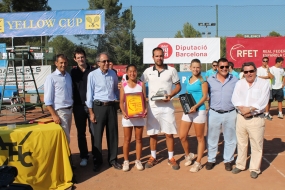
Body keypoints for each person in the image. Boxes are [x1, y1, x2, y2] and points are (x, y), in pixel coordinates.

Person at [140, 47, 181, 170]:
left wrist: (171, 95)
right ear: (153, 57)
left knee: (169, 133)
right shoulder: (147, 71)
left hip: (167, 107)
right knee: (153, 133)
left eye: (161, 56)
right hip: (153, 107)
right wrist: (144, 97)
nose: (159, 58)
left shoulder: (172, 70)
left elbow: (178, 86)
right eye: (157, 56)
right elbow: (140, 83)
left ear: (164, 56)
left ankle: (171, 158)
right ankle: (153, 157)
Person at [231, 62, 270, 179]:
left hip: (256, 119)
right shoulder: (239, 83)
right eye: (246, 71)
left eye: (251, 71)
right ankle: (240, 165)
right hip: (241, 118)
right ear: (243, 72)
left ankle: (254, 169)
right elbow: (234, 98)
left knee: (256, 145)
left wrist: (250, 109)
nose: (249, 74)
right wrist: (242, 109)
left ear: (255, 71)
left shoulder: (264, 83)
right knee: (241, 143)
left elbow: (263, 100)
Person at [86, 52, 121, 171]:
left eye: (107, 61)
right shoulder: (92, 75)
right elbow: (89, 94)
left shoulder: (113, 74)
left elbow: (116, 90)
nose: (107, 63)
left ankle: (113, 160)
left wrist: (121, 99)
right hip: (98, 107)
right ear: (98, 63)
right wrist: (91, 112)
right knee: (97, 136)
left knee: (113, 135)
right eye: (104, 61)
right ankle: (97, 161)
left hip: (111, 107)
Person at [206, 58, 238, 171]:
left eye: (226, 66)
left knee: (230, 138)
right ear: (217, 68)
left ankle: (228, 160)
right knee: (212, 138)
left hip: (231, 112)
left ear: (229, 67)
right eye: (222, 67)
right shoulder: (210, 80)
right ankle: (211, 159)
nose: (224, 69)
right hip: (214, 113)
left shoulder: (235, 79)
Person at [179, 59, 208, 173]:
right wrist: (186, 105)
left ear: (200, 68)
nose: (196, 69)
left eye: (198, 67)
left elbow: (205, 96)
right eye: (194, 67)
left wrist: (195, 106)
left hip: (199, 110)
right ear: (190, 68)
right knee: (182, 136)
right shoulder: (189, 79)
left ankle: (198, 162)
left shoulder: (203, 80)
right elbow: (187, 93)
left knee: (199, 138)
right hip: (189, 111)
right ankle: (189, 155)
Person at [70, 47, 96, 167]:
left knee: (94, 132)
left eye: (82, 57)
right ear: (75, 59)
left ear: (85, 57)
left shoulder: (93, 71)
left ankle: (96, 155)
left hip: (92, 107)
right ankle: (84, 156)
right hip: (78, 107)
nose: (81, 59)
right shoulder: (73, 73)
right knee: (81, 133)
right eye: (78, 57)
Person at [120, 64, 147, 172]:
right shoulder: (124, 85)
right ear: (127, 73)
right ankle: (126, 161)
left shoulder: (141, 84)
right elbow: (121, 102)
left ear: (137, 72)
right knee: (127, 139)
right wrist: (123, 112)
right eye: (130, 71)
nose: (132, 73)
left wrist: (145, 110)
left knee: (139, 139)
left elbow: (144, 100)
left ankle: (138, 160)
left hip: (139, 116)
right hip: (128, 116)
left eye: (134, 71)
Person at [44, 54, 73, 144]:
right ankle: (66, 157)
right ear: (56, 63)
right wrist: (54, 115)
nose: (63, 65)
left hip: (69, 110)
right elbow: (48, 100)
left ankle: (66, 156)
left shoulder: (68, 76)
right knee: (65, 137)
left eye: (65, 63)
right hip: (60, 111)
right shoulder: (51, 78)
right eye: (61, 63)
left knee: (66, 136)